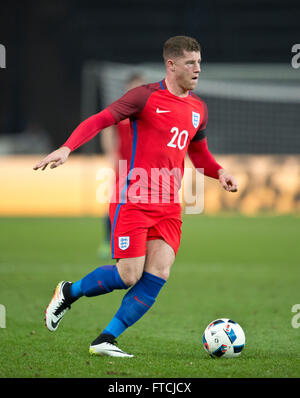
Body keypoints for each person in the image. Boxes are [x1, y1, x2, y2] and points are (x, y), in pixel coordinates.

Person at [34, 36, 238, 358]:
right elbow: (102, 119)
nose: (197, 68)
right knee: (129, 276)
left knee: (158, 274)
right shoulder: (144, 97)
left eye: (199, 62)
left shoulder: (199, 108)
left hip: (170, 206)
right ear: (171, 65)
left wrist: (220, 172)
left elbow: (199, 156)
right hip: (135, 199)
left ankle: (106, 339)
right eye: (190, 62)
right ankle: (68, 292)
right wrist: (67, 148)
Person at [97, 73, 145, 260]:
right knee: (116, 203)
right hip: (124, 166)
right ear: (127, 88)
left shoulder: (148, 110)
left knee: (145, 205)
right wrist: (111, 154)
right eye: (133, 87)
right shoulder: (120, 109)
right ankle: (107, 242)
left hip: (146, 168)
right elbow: (107, 131)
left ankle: (140, 243)